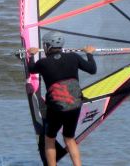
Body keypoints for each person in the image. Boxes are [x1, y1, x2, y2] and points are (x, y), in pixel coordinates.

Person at [27, 31, 97, 166]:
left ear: (47, 46)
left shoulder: (43, 63)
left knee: (50, 139)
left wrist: (31, 55)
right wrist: (89, 53)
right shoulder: (73, 57)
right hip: (75, 105)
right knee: (69, 138)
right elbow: (92, 69)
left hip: (56, 108)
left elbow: (31, 69)